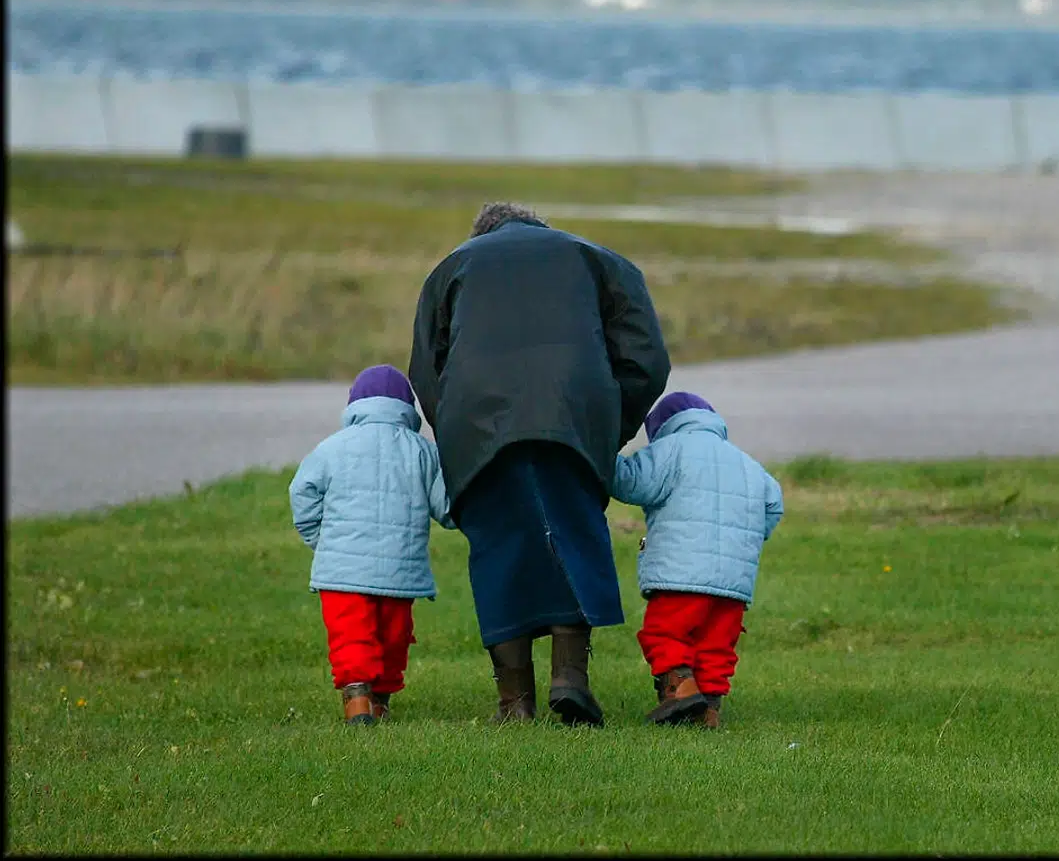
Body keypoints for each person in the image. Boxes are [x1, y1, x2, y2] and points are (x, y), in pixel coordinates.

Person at [409, 203, 671, 728]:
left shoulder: (452, 268)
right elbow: (646, 359)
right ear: (540, 227)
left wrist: (460, 437)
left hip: (477, 418)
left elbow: (425, 369)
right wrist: (604, 428)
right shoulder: (597, 259)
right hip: (574, 410)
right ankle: (570, 679)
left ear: (481, 234)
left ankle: (515, 704)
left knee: (498, 546)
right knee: (575, 531)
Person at [288, 364, 454, 726]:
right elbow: (447, 508)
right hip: (400, 572)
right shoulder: (424, 452)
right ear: (407, 408)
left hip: (342, 574)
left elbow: (301, 492)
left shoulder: (331, 448)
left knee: (351, 634)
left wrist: (323, 541)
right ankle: (380, 701)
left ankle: (357, 703)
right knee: (393, 637)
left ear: (354, 405)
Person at [611, 391, 784, 729]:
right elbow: (773, 505)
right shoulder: (747, 463)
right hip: (734, 582)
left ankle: (679, 690)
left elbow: (630, 482)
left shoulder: (669, 450)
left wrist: (606, 453)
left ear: (662, 427)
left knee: (665, 632)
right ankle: (709, 711)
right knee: (716, 645)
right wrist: (745, 539)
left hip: (681, 575)